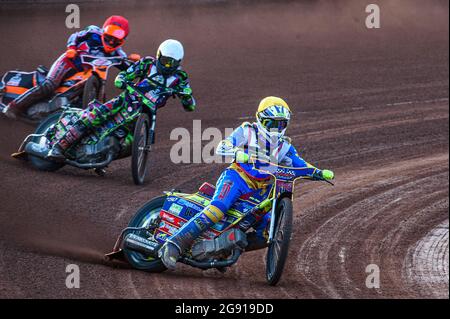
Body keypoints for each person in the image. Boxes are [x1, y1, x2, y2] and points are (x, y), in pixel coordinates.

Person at [158, 96, 335, 269]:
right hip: (237, 177)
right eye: (271, 123)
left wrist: (319, 172)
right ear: (260, 119)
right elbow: (222, 146)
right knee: (218, 208)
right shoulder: (247, 131)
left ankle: (221, 249)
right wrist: (237, 153)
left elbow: (300, 164)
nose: (276, 128)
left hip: (263, 190)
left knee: (267, 232)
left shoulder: (286, 147)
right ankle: (174, 244)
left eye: (281, 124)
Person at [47, 39, 196, 159]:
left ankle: (99, 157)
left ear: (179, 62)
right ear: (159, 56)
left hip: (146, 113)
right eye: (165, 61)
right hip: (126, 101)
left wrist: (187, 99)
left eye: (172, 63)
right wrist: (122, 80)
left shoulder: (180, 78)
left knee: (129, 144)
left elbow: (189, 102)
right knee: (95, 116)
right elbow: (124, 75)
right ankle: (59, 146)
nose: (168, 66)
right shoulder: (147, 64)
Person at [3, 16, 130, 119]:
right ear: (104, 30)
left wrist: (136, 66)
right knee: (50, 84)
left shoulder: (119, 54)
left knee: (96, 97)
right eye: (110, 36)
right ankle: (14, 106)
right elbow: (75, 36)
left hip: (84, 75)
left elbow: (129, 69)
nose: (112, 41)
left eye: (116, 39)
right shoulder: (92, 32)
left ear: (123, 39)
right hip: (68, 62)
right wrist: (72, 48)